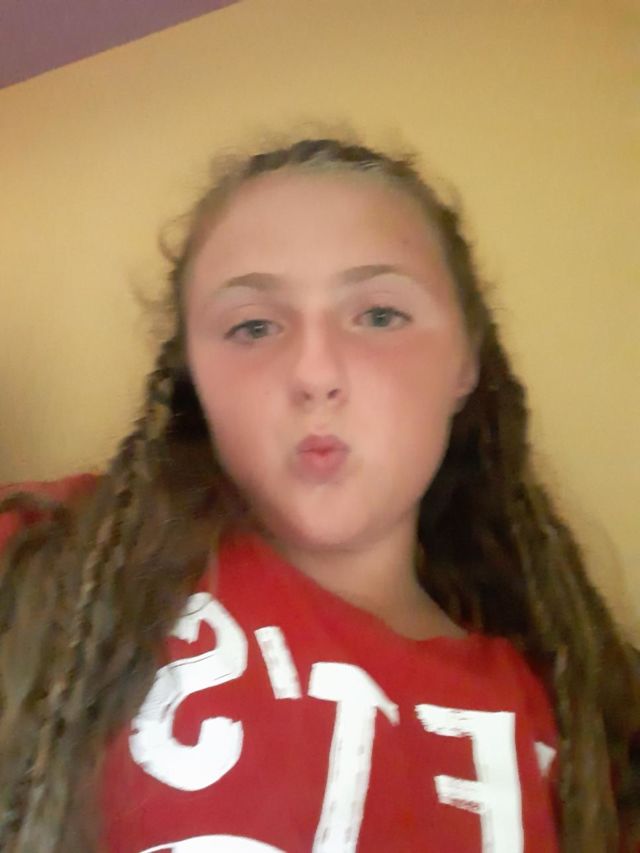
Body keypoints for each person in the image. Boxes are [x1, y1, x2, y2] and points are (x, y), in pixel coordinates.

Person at [0, 138, 638, 853]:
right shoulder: (53, 560)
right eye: (253, 326)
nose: (314, 372)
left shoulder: (584, 727)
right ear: (193, 380)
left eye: (380, 315)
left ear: (467, 360)